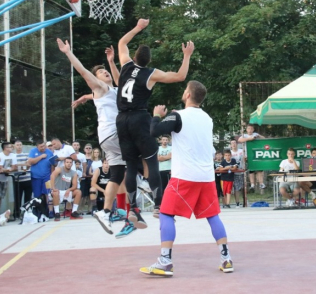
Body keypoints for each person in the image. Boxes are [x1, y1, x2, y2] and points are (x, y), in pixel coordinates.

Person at [140, 80, 233, 276]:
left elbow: (154, 131)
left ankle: (165, 261)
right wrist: (173, 117)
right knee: (213, 216)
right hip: (206, 176)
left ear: (188, 95)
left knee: (165, 213)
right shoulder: (207, 118)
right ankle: (226, 259)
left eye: (185, 90)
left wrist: (157, 115)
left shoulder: (178, 116)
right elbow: (185, 128)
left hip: (185, 176)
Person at [115, 18, 194, 229]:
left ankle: (133, 209)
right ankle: (158, 206)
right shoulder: (151, 74)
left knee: (131, 166)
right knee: (152, 163)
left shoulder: (125, 65)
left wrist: (138, 27)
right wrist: (186, 56)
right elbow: (180, 76)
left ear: (134, 57)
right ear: (149, 62)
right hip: (140, 119)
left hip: (121, 120)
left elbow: (122, 43)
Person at [58, 38, 132, 237]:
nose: (104, 73)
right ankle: (151, 191)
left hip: (108, 139)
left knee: (117, 176)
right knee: (143, 149)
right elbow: (83, 71)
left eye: (105, 71)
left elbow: (120, 82)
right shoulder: (100, 87)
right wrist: (68, 52)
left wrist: (111, 62)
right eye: (100, 73)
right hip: (114, 133)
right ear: (96, 79)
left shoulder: (113, 90)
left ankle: (109, 212)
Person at [0, 142, 17, 218]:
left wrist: (7, 170)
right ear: (5, 148)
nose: (12, 148)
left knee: (1, 197)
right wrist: (9, 169)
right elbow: (0, 168)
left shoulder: (13, 155)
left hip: (5, 178)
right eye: (10, 147)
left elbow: (15, 167)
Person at [238, 124, 265, 191]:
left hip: (256, 154)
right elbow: (240, 140)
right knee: (251, 170)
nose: (250, 130)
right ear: (246, 129)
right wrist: (249, 139)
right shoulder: (245, 135)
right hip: (248, 155)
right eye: (248, 128)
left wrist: (259, 136)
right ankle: (252, 184)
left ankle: (261, 183)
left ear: (253, 129)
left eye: (251, 128)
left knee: (259, 169)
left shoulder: (255, 134)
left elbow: (264, 139)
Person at [13, 140, 32, 217]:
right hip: (17, 180)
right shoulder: (13, 156)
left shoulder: (26, 155)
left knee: (27, 198)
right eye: (17, 145)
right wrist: (22, 165)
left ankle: (26, 212)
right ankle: (17, 213)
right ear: (14, 146)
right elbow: (13, 166)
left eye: (20, 145)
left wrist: (19, 165)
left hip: (27, 179)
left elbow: (28, 164)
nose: (19, 146)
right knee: (17, 198)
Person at [230, 139, 244, 208]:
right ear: (230, 145)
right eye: (232, 143)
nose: (234, 144)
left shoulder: (241, 151)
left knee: (243, 187)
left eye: (235, 143)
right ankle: (237, 202)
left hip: (242, 170)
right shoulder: (230, 153)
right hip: (234, 173)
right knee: (236, 188)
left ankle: (245, 200)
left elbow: (246, 158)